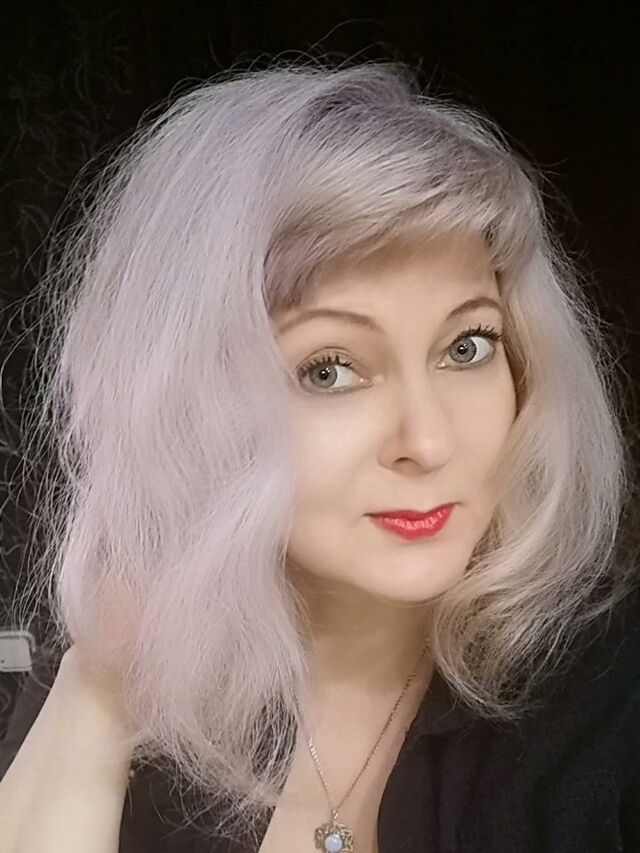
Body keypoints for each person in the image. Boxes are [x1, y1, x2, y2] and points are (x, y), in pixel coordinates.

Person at [1, 57, 639, 853]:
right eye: (329, 369)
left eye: (467, 346)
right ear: (192, 404)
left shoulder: (608, 710)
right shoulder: (130, 664)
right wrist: (103, 683)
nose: (429, 442)